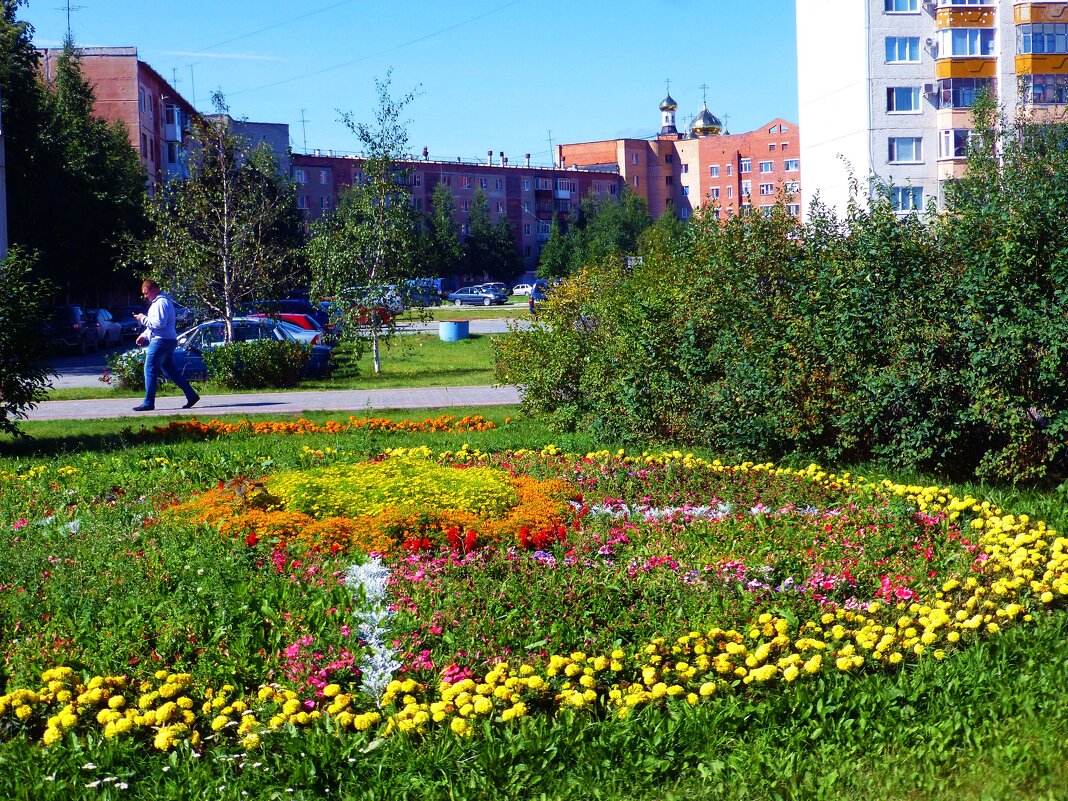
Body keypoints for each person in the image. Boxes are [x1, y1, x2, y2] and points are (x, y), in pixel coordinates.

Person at [132, 279, 200, 412]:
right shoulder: (160, 302)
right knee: (170, 370)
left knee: (149, 369)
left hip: (160, 341)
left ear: (154, 290)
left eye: (146, 293)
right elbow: (157, 324)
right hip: (167, 340)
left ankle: (148, 402)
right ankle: (191, 395)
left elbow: (159, 324)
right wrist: (144, 335)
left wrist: (142, 318)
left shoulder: (161, 302)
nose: (145, 296)